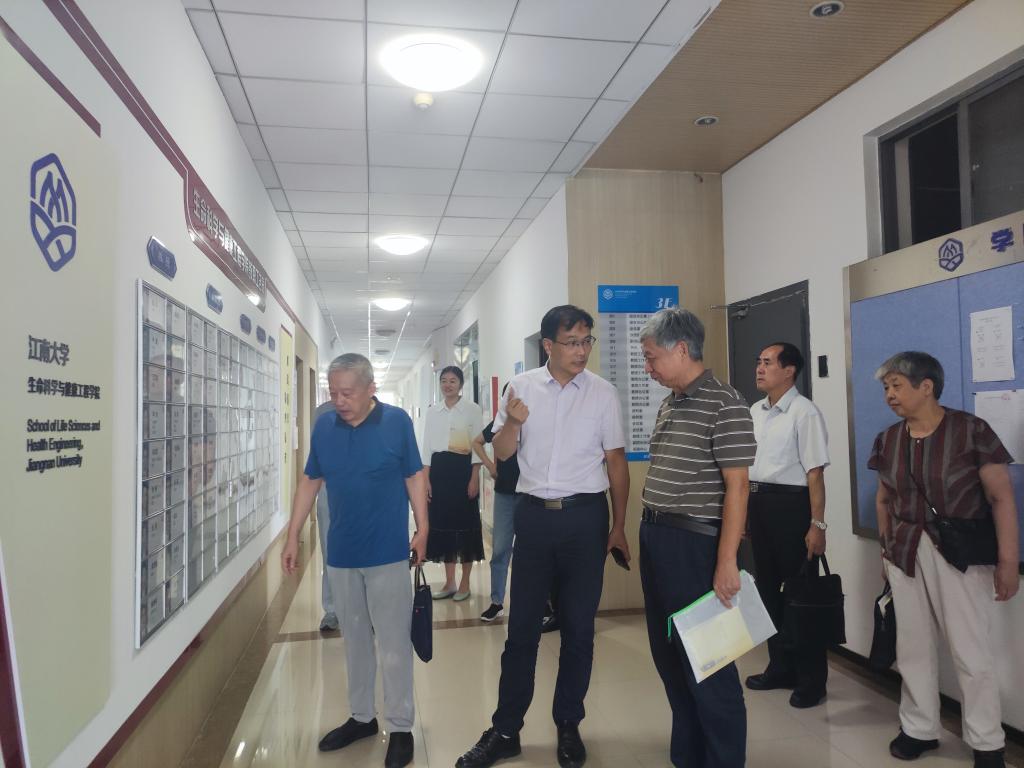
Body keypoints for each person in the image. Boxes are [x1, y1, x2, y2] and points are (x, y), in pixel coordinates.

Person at [455, 305, 630, 768]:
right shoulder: (522, 386)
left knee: (579, 629)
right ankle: (505, 730)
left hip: (585, 518)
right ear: (548, 345)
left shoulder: (603, 393)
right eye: (572, 342)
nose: (582, 351)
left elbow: (615, 462)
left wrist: (618, 526)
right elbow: (502, 453)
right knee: (522, 631)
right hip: (534, 517)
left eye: (587, 341)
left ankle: (568, 723)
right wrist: (513, 422)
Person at [868, 351, 1019, 768]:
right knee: (912, 647)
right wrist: (886, 550)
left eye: (897, 386)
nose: (889, 395)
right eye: (886, 388)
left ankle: (987, 742)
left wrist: (1008, 561)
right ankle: (918, 728)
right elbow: (883, 500)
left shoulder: (971, 431)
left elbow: (1001, 498)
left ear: (927, 386)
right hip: (904, 551)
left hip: (959, 552)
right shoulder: (888, 439)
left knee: (971, 651)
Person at [281, 353, 428, 768]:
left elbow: (413, 474)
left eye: (347, 393)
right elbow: (311, 479)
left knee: (394, 644)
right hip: (342, 554)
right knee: (355, 641)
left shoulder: (397, 422)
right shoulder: (325, 426)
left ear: (370, 389)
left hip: (387, 552)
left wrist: (424, 526)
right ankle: (362, 717)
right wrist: (292, 534)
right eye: (334, 392)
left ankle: (400, 726)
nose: (339, 401)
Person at [639, 307, 755, 768]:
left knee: (709, 662)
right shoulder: (671, 401)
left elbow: (738, 486)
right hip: (657, 538)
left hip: (695, 546)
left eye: (651, 357)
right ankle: (688, 756)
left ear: (681, 349)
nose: (647, 367)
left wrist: (727, 561)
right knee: (669, 657)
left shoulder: (726, 403)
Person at [744, 342, 830, 708]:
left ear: (789, 370)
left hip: (792, 508)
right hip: (759, 504)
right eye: (759, 362)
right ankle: (779, 667)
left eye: (767, 362)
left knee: (799, 594)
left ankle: (811, 679)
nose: (760, 368)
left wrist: (817, 524)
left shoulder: (804, 412)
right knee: (768, 591)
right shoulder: (755, 411)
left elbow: (815, 474)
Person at [422, 365, 485, 600]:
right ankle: (449, 583)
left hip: (463, 470)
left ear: (460, 384)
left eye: (452, 381)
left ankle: (465, 583)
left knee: (465, 528)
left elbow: (477, 446)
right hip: (439, 473)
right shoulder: (433, 411)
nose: (447, 385)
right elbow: (427, 447)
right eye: (444, 381)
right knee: (444, 528)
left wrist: (474, 478)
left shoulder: (472, 410)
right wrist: (426, 480)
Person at [472, 382, 521, 621]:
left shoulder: (532, 421)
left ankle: (539, 602)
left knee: (532, 551)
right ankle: (497, 601)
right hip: (505, 493)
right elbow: (476, 442)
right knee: (501, 549)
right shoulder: (499, 424)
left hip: (531, 495)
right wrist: (491, 466)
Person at [313, 399, 339, 632]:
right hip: (328, 494)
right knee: (330, 553)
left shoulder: (378, 412)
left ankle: (367, 610)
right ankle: (332, 610)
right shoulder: (322, 413)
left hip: (363, 497)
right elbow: (315, 462)